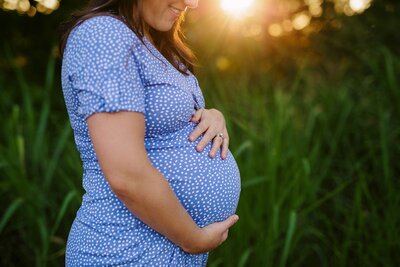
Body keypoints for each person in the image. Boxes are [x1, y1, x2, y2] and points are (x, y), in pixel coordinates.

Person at [59, 0, 241, 265]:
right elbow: (126, 175)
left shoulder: (153, 41)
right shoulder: (102, 35)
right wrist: (193, 240)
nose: (193, 3)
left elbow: (170, 118)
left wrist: (212, 116)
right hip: (124, 251)